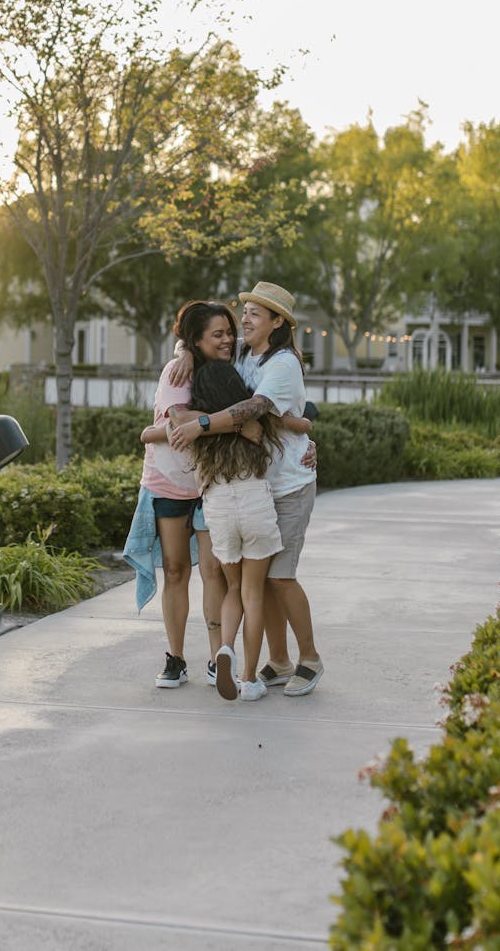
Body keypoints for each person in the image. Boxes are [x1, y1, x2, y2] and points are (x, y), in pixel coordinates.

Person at [168, 281, 323, 696]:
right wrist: (184, 351)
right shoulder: (243, 351)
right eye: (247, 310)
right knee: (266, 578)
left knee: (282, 576)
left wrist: (199, 424)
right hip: (261, 484)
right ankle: (279, 660)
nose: (246, 319)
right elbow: (204, 344)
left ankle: (309, 658)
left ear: (277, 323)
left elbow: (253, 409)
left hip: (290, 484)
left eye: (257, 313)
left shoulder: (283, 363)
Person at [123, 301, 237, 688]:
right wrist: (231, 423)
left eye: (228, 332)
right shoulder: (178, 370)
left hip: (210, 482)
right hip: (169, 480)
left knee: (213, 571)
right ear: (197, 340)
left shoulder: (227, 369)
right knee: (175, 570)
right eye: (217, 335)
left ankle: (217, 658)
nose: (227, 340)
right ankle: (176, 658)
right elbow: (177, 422)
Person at [187, 360, 285, 702]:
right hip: (254, 502)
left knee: (233, 589)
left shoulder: (199, 429)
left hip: (220, 508)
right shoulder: (254, 421)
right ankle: (248, 679)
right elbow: (290, 428)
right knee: (253, 594)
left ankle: (225, 648)